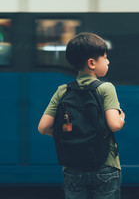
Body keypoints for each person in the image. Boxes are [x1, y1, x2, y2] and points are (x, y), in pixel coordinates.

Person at [38, 32, 125, 199]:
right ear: (92, 63)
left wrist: (72, 134)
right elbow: (114, 125)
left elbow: (43, 128)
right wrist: (121, 118)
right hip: (105, 166)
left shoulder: (63, 90)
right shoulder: (106, 88)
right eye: (105, 57)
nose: (108, 61)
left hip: (73, 168)